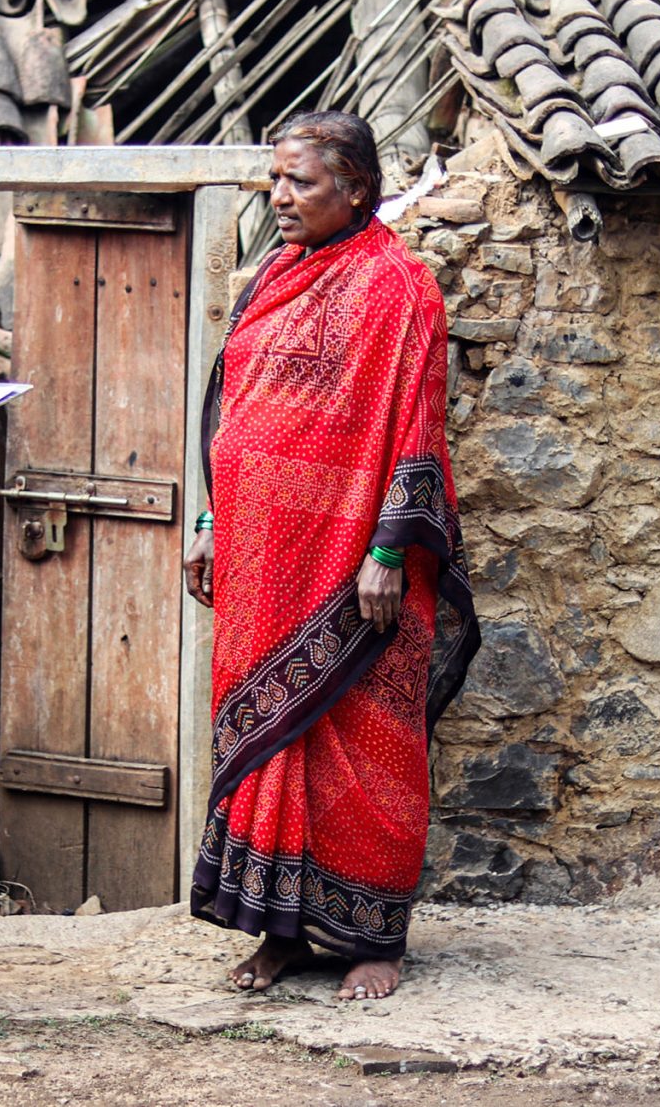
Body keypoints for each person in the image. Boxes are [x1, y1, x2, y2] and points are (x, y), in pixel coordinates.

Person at [184, 109, 477, 1003]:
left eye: (299, 182)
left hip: (356, 567)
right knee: (274, 742)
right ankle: (278, 936)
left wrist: (390, 547)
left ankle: (372, 940)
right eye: (275, 180)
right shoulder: (271, 276)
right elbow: (231, 408)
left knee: (367, 748)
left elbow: (416, 431)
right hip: (262, 559)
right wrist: (208, 523)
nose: (280, 197)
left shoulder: (400, 289)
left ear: (355, 188)